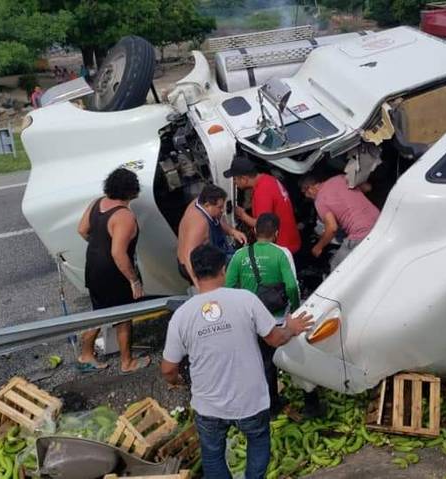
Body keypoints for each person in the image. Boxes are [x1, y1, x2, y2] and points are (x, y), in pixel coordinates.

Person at [160, 244, 313, 479]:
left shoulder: (182, 315)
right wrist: (290, 328)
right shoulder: (245, 300)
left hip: (209, 405)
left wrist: (180, 381)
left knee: (212, 456)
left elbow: (168, 369)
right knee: (258, 443)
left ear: (194, 272)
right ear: (223, 269)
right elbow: (274, 339)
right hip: (250, 401)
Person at [76, 168, 150, 374]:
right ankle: (127, 362)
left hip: (93, 266)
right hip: (113, 273)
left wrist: (99, 243)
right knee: (123, 317)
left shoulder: (97, 203)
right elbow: (119, 253)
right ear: (131, 191)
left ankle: (86, 354)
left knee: (99, 312)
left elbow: (82, 230)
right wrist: (134, 280)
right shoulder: (124, 216)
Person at [225, 213, 300, 416]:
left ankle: (258, 404)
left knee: (256, 363)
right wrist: (295, 309)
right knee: (278, 361)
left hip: (249, 320)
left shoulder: (240, 255)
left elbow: (229, 286)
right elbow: (292, 286)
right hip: (275, 320)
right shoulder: (281, 253)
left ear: (255, 231)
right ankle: (277, 405)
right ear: (276, 233)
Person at [300, 173, 380, 269]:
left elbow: (332, 228)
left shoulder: (320, 200)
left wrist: (318, 247)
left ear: (310, 189)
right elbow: (368, 187)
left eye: (306, 194)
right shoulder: (340, 178)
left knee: (336, 267)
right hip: (380, 219)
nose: (308, 198)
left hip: (361, 233)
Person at [224, 156, 301, 254]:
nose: (234, 183)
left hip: (281, 247)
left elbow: (262, 225)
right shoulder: (268, 179)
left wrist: (243, 215)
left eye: (235, 179)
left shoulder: (262, 192)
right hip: (290, 238)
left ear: (244, 178)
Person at [177, 184, 247, 287]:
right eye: (220, 207)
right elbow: (188, 255)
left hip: (214, 252)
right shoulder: (199, 223)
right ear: (207, 205)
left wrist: (232, 231)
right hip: (195, 265)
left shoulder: (201, 202)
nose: (223, 210)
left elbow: (217, 218)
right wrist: (198, 284)